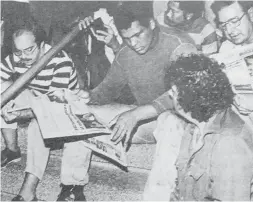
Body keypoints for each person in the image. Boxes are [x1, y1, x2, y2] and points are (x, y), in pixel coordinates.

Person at [48, 1, 197, 201]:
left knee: (169, 120)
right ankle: (72, 188)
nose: (134, 43)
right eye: (127, 38)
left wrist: (136, 113)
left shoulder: (180, 44)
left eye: (138, 35)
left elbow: (182, 92)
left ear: (152, 24)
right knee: (81, 110)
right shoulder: (126, 54)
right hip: (147, 121)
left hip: (183, 122)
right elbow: (107, 90)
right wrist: (87, 96)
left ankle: (159, 197)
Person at [144, 54, 253, 200]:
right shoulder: (193, 127)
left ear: (192, 96)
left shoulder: (229, 144)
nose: (169, 95)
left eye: (174, 92)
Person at [0, 17, 80, 201]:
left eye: (29, 49)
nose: (23, 57)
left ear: (42, 44)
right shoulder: (19, 56)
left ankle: (28, 191)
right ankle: (12, 150)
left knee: (37, 124)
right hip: (37, 98)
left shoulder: (61, 61)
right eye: (18, 51)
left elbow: (52, 107)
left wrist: (19, 114)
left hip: (65, 109)